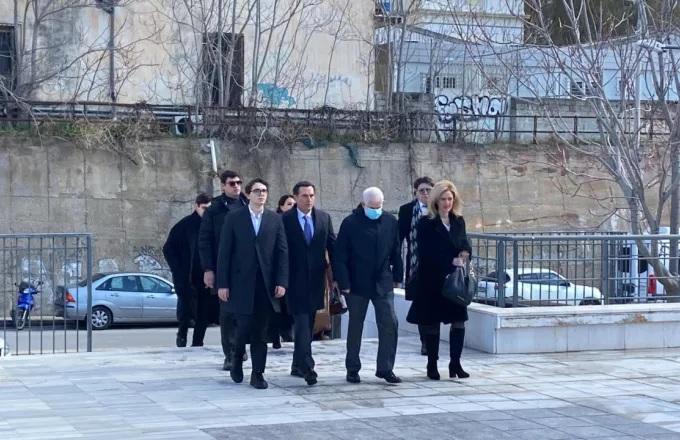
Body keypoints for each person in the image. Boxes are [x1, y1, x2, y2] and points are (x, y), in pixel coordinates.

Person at [216, 178, 288, 390]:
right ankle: (237, 358)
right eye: (257, 191)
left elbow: (282, 252)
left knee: (261, 332)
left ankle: (258, 373)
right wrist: (223, 283)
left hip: (265, 285)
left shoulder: (274, 219)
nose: (261, 194)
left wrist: (281, 281)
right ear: (248, 194)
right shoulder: (234, 218)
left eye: (264, 190)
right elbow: (225, 252)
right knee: (243, 328)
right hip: (240, 284)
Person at [334, 187, 404, 384]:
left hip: (383, 281)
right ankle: (352, 368)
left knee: (390, 323)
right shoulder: (350, 223)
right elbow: (340, 255)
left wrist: (398, 275)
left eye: (379, 206)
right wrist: (344, 282)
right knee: (356, 325)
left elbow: (396, 249)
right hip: (356, 283)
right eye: (372, 207)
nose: (375, 210)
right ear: (363, 204)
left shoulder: (390, 221)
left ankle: (386, 368)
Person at [406, 180, 472, 381]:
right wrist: (449, 260)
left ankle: (455, 363)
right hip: (432, 280)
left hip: (454, 281)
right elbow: (426, 253)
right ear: (436, 201)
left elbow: (464, 242)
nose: (447, 203)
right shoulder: (425, 223)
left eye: (450, 199)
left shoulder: (458, 221)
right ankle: (432, 364)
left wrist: (465, 252)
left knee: (458, 322)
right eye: (443, 199)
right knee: (432, 324)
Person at [282, 181, 335, 386]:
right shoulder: (284, 220)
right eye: (304, 196)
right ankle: (307, 367)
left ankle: (297, 365)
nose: (309, 199)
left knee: (309, 324)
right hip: (293, 281)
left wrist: (336, 277)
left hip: (315, 281)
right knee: (302, 323)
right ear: (295, 197)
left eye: (311, 195)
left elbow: (332, 247)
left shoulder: (323, 218)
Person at [198, 170, 249, 371]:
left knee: (245, 312)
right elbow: (205, 241)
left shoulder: (248, 204)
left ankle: (240, 346)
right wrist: (208, 269)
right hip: (224, 268)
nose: (236, 186)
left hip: (247, 268)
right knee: (228, 313)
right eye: (232, 183)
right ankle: (230, 353)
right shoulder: (214, 210)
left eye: (239, 182)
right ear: (223, 186)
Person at [163, 193, 213, 347]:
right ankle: (182, 334)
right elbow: (168, 249)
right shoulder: (185, 225)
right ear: (196, 206)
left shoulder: (212, 225)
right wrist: (177, 270)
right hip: (186, 276)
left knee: (204, 310)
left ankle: (198, 341)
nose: (206, 212)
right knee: (186, 309)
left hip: (206, 274)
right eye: (204, 208)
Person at [398, 176, 434, 356]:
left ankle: (432, 340)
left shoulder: (440, 207)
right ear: (416, 192)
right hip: (416, 266)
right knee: (421, 303)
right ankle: (425, 342)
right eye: (422, 190)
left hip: (436, 264)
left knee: (434, 303)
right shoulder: (407, 210)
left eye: (428, 190)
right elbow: (399, 237)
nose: (425, 193)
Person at [269, 194, 296, 349]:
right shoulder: (275, 221)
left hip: (292, 270)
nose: (292, 207)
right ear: (281, 206)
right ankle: (276, 336)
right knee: (278, 307)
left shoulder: (295, 222)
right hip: (277, 270)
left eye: (293, 204)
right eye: (289, 204)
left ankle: (286, 334)